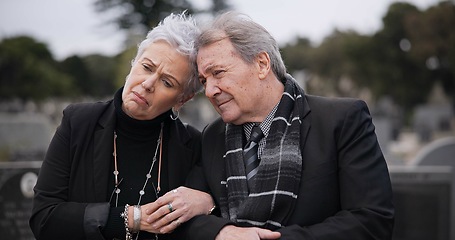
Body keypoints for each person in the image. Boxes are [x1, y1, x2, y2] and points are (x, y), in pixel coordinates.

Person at [179, 11, 395, 240]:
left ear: (262, 64)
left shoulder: (341, 120)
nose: (210, 90)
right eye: (204, 81)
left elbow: (371, 221)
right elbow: (190, 219)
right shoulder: (212, 136)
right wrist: (223, 232)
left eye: (218, 73)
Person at [29, 12, 215, 240]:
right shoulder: (78, 122)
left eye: (167, 82)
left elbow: (197, 225)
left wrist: (209, 201)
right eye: (146, 67)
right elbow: (44, 218)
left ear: (182, 99)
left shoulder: (193, 146)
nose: (147, 84)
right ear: (133, 64)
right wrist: (131, 218)